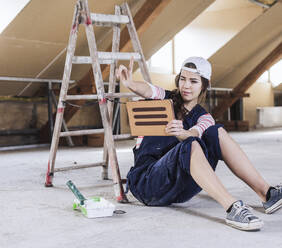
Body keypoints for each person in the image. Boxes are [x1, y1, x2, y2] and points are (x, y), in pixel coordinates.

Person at [116, 56, 282, 231]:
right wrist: (130, 83)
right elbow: (147, 90)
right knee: (190, 144)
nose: (186, 86)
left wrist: (183, 133)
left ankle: (267, 193)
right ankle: (232, 207)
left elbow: (195, 133)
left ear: (204, 85)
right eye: (182, 79)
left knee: (213, 133)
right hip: (148, 184)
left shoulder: (204, 117)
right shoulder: (165, 97)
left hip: (180, 188)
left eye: (193, 81)